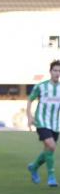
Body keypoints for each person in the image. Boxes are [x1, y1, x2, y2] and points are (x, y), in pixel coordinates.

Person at [26, 59, 60, 187]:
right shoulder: (41, 86)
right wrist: (29, 117)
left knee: (48, 150)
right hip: (41, 122)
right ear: (50, 71)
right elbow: (30, 100)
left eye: (59, 71)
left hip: (55, 124)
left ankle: (34, 167)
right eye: (55, 70)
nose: (57, 73)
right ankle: (51, 176)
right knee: (51, 146)